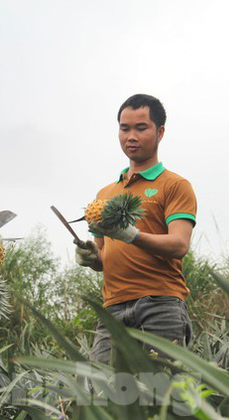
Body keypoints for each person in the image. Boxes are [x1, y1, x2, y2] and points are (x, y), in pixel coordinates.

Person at [75, 94, 197, 363]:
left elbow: (179, 245)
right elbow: (105, 256)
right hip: (113, 308)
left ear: (160, 131)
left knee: (164, 396)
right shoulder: (104, 194)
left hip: (161, 305)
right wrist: (92, 257)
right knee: (106, 396)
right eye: (124, 128)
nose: (131, 136)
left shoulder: (175, 185)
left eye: (141, 128)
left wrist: (132, 235)